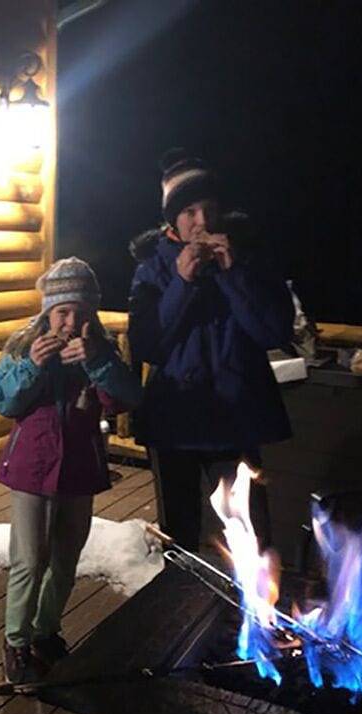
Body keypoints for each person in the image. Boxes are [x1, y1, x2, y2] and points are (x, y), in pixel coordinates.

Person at [127, 149, 293, 551]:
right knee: (179, 534)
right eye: (189, 212)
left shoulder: (247, 258)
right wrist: (182, 283)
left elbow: (273, 332)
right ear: (173, 218)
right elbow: (148, 344)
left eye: (209, 208)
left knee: (250, 534)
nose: (202, 221)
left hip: (235, 420)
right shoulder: (153, 269)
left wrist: (233, 274)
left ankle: (252, 593)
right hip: (176, 421)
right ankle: (179, 590)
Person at [0, 258, 143, 683]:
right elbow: (3, 401)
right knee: (29, 559)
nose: (70, 323)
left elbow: (127, 397)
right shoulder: (23, 346)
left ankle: (45, 631)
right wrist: (31, 367)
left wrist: (97, 363)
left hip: (78, 467)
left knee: (66, 557)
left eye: (80, 312)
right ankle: (16, 642)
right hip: (32, 468)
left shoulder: (101, 350)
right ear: (47, 311)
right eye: (62, 312)